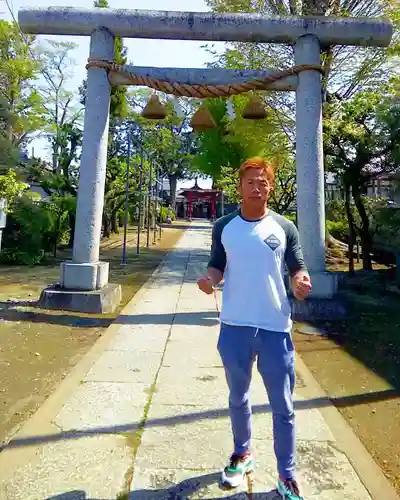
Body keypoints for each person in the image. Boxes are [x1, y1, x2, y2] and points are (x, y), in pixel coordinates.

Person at [197, 157, 312, 500]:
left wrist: (301, 282)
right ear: (240, 186)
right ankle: (242, 454)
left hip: (275, 327)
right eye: (250, 182)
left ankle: (286, 474)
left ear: (270, 187)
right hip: (234, 325)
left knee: (284, 406)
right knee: (238, 397)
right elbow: (216, 265)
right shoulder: (224, 226)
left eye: (263, 182)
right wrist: (209, 281)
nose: (257, 187)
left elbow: (297, 267)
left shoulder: (284, 227)